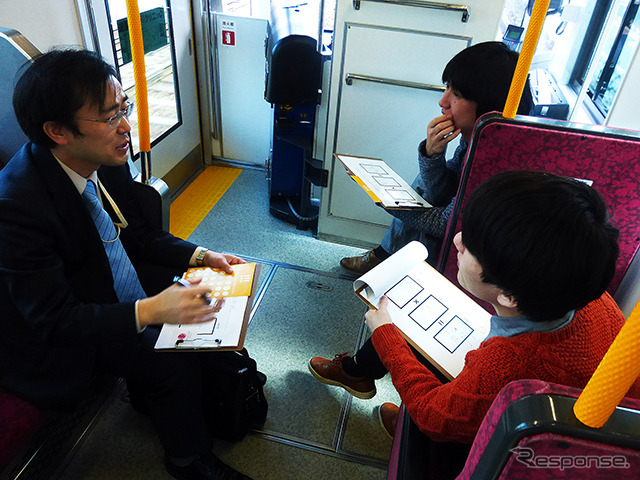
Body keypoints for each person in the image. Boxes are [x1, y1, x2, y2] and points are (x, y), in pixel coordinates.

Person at [0, 49, 252, 480]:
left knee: (205, 304)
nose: (126, 127)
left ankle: (153, 394)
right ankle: (187, 459)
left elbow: (137, 236)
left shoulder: (104, 157)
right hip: (60, 333)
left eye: (123, 107)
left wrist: (200, 256)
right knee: (167, 359)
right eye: (109, 116)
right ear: (58, 131)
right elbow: (55, 322)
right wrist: (150, 312)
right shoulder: (17, 206)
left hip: (103, 279)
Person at [311, 170, 640, 447]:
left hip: (519, 438)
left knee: (396, 331)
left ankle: (378, 392)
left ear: (509, 296)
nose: (456, 240)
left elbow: (434, 417)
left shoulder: (504, 365)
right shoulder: (589, 294)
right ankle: (360, 373)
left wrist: (385, 334)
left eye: (470, 247)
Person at [340, 41, 533, 274]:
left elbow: (447, 224)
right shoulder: (477, 137)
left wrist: (387, 200)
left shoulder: (494, 159)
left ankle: (389, 259)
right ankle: (386, 255)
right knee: (422, 182)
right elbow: (445, 191)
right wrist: (433, 154)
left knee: (419, 190)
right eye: (447, 88)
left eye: (457, 95)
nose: (443, 102)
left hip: (488, 251)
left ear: (489, 106)